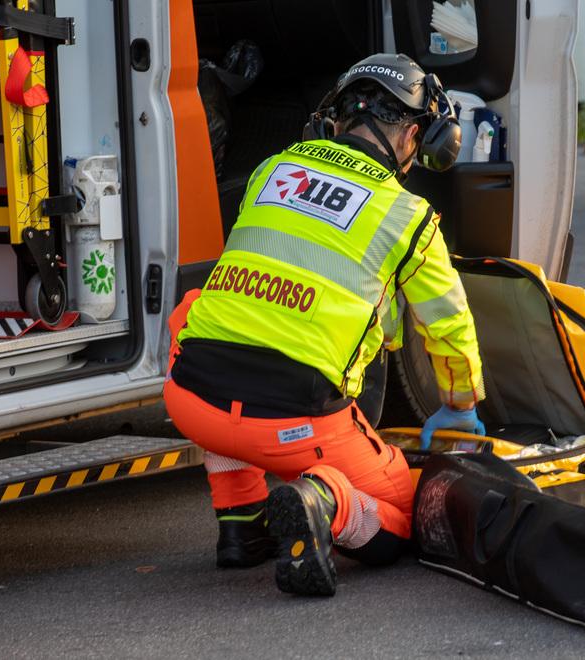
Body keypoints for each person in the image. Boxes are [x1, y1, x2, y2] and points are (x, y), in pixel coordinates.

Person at [164, 53, 486, 597]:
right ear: (416, 136)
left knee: (197, 306)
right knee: (406, 513)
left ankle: (242, 524)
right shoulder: (408, 218)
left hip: (192, 399)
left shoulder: (271, 169)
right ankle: (324, 504)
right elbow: (449, 324)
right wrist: (459, 404)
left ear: (333, 119)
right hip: (295, 422)